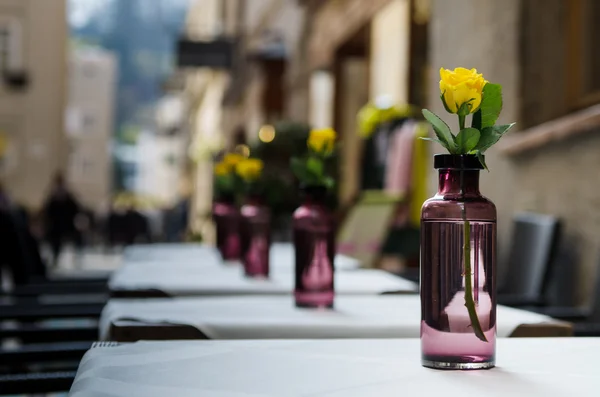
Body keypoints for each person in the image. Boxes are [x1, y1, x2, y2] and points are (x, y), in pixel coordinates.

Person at [42, 173, 82, 266]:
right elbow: (48, 210)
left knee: (77, 237)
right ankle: (55, 256)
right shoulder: (53, 195)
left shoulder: (67, 194)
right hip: (56, 224)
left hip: (67, 222)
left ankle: (77, 256)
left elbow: (76, 208)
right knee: (54, 239)